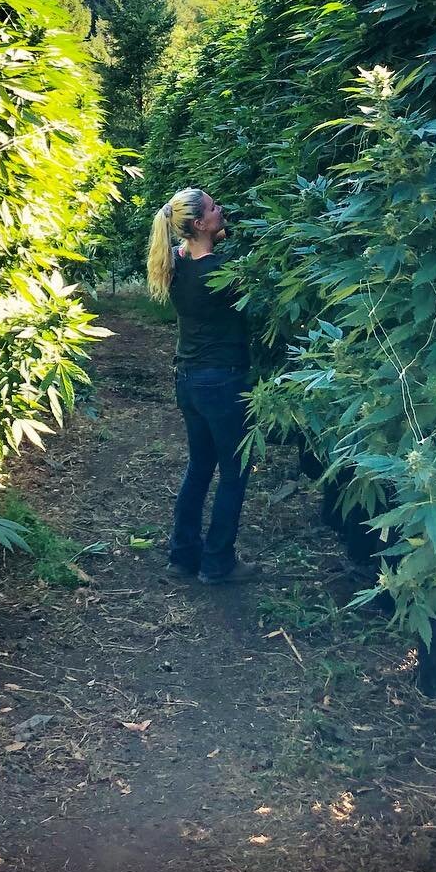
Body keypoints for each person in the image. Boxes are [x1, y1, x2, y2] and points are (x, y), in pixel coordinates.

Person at [145, 186, 260, 585]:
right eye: (214, 207)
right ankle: (217, 563)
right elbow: (256, 307)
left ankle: (182, 557)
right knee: (233, 473)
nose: (221, 208)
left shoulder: (176, 267)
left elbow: (188, 252)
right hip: (222, 382)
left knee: (199, 468)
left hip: (189, 381)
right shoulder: (221, 274)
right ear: (199, 223)